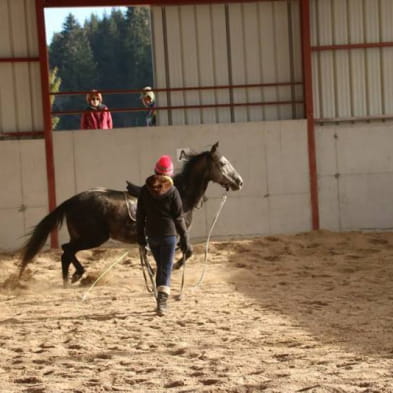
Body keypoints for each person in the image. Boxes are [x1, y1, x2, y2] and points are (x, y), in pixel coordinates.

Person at [136, 155, 192, 316]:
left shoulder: (144, 191)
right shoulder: (173, 192)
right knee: (165, 268)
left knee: (162, 267)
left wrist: (140, 238)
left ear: (155, 171)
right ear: (171, 174)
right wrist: (185, 239)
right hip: (169, 236)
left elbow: (140, 217)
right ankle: (162, 303)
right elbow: (179, 218)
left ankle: (160, 298)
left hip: (152, 237)